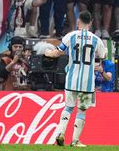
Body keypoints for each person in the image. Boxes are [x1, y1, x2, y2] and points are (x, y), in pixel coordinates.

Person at [45, 10, 106, 147]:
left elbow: (57, 53)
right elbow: (103, 56)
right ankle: (75, 141)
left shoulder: (70, 36)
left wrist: (48, 52)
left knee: (68, 107)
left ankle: (60, 133)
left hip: (72, 80)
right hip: (87, 83)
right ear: (90, 23)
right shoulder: (96, 39)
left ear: (78, 22)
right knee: (82, 110)